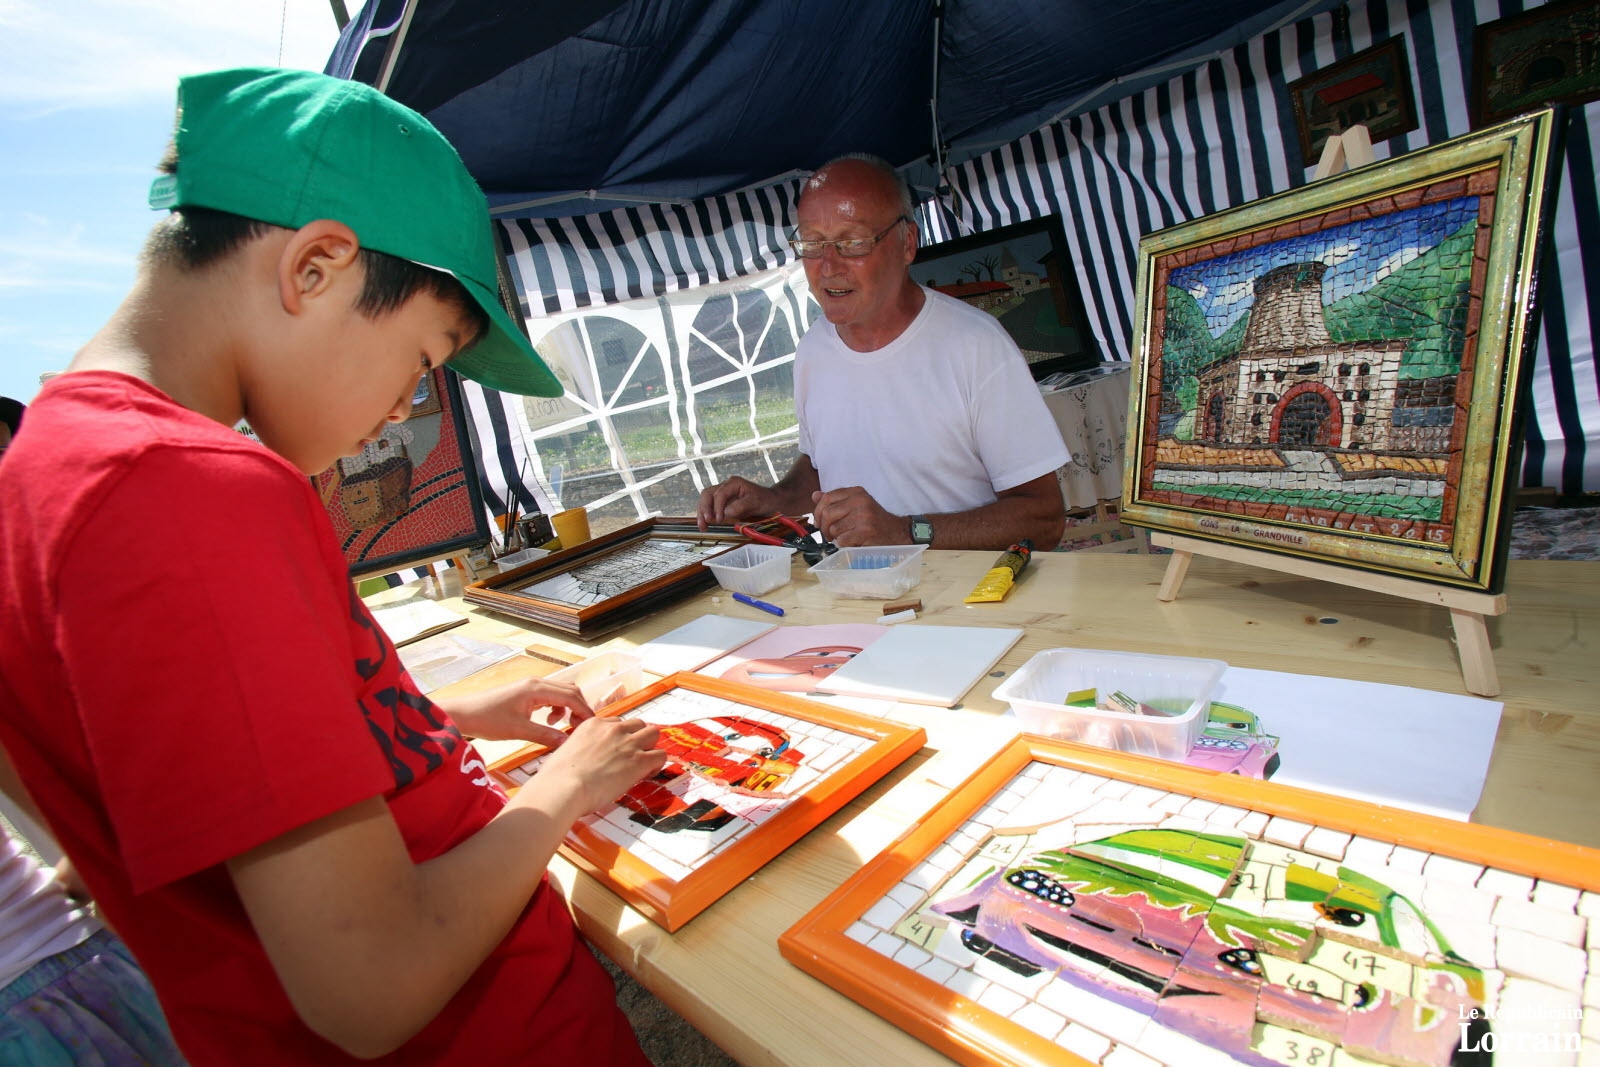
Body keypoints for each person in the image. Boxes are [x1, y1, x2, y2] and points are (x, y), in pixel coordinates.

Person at [0, 68, 667, 1065]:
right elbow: (372, 980)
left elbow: (215, 771)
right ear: (315, 266)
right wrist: (564, 785)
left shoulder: (49, 470)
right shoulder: (187, 489)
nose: (405, 406)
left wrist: (459, 721)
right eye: (422, 357)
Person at [696, 154, 1070, 551]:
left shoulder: (975, 345)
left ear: (907, 243)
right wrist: (773, 498)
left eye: (852, 242)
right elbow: (825, 467)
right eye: (812, 243)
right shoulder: (813, 350)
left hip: (968, 601)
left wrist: (907, 531)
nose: (827, 265)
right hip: (858, 595)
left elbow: (1044, 517)